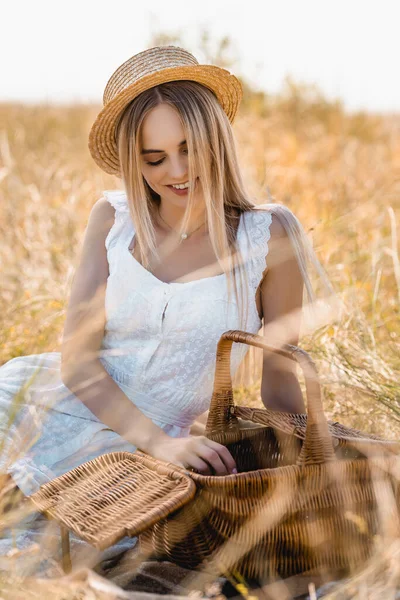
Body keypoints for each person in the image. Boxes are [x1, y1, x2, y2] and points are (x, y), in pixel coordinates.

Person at [0, 46, 334, 570]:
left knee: (51, 558)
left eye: (188, 149)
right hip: (64, 408)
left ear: (216, 140)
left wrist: (318, 452)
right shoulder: (113, 220)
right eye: (154, 159)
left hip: (153, 454)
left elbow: (278, 376)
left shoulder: (268, 235)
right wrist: (156, 443)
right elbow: (78, 361)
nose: (177, 172)